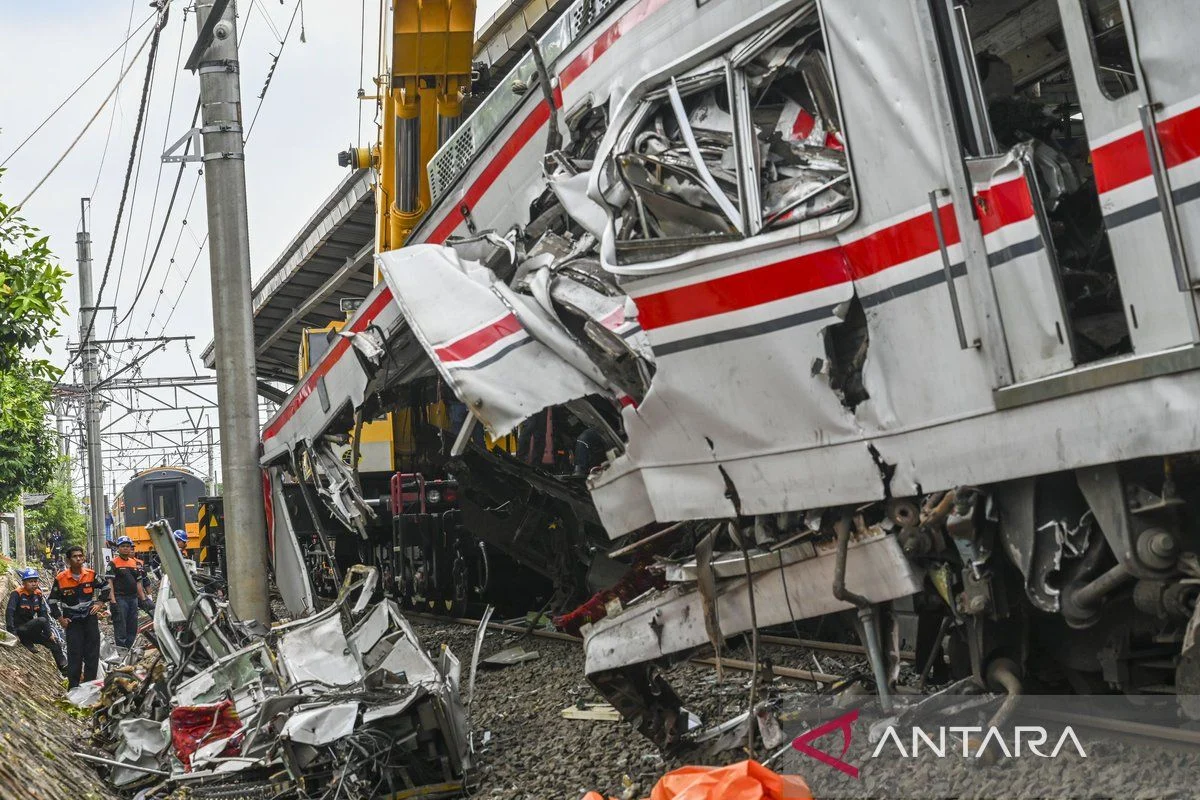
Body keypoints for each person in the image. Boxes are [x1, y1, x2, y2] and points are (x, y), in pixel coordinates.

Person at [49, 546, 106, 688]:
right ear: (68, 560)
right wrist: (60, 619)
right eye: (75, 556)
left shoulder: (91, 574)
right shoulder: (61, 578)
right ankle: (74, 687)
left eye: (81, 556)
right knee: (75, 654)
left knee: (92, 654)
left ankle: (90, 686)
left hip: (90, 618)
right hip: (72, 622)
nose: (79, 558)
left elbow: (106, 588)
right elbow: (52, 601)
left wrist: (99, 603)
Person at [5, 568, 67, 674]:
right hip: (20, 629)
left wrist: (49, 634)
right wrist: (12, 632)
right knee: (41, 621)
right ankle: (26, 641)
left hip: (31, 629)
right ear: (24, 583)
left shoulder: (38, 594)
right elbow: (9, 612)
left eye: (35, 581)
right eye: (30, 581)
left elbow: (43, 613)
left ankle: (64, 668)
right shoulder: (17, 594)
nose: (33, 584)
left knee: (54, 642)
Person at [108, 537, 147, 649]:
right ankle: (121, 650)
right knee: (120, 625)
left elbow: (139, 583)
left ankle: (129, 648)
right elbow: (109, 582)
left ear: (130, 548)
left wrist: (143, 599)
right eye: (123, 546)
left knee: (132, 625)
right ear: (118, 548)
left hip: (133, 598)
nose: (125, 548)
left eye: (127, 546)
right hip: (120, 599)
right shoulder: (113, 563)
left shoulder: (134, 563)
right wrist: (113, 601)